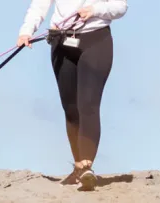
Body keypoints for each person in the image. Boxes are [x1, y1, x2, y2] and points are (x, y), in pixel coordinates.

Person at [15, 0, 127, 192]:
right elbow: (39, 6)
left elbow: (120, 7)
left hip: (96, 41)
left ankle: (86, 166)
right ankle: (78, 166)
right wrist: (26, 31)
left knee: (88, 105)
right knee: (70, 108)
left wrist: (95, 9)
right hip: (61, 42)